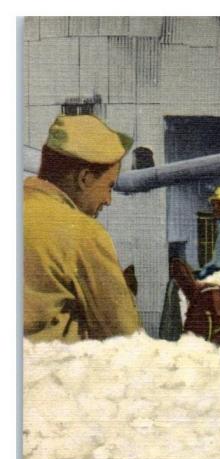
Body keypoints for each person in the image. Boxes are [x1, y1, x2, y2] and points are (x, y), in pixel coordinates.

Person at [24, 114, 140, 341]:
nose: (108, 200)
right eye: (108, 186)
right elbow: (126, 339)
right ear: (85, 178)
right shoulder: (82, 232)